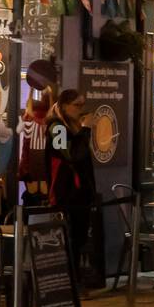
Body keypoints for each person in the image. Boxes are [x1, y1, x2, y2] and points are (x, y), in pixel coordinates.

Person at [45, 89, 98, 280]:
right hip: (66, 192)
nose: (80, 109)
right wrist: (85, 130)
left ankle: (75, 278)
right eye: (77, 105)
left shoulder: (73, 127)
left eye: (82, 105)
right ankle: (68, 280)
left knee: (79, 237)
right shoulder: (56, 128)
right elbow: (72, 155)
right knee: (70, 238)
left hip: (80, 192)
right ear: (64, 106)